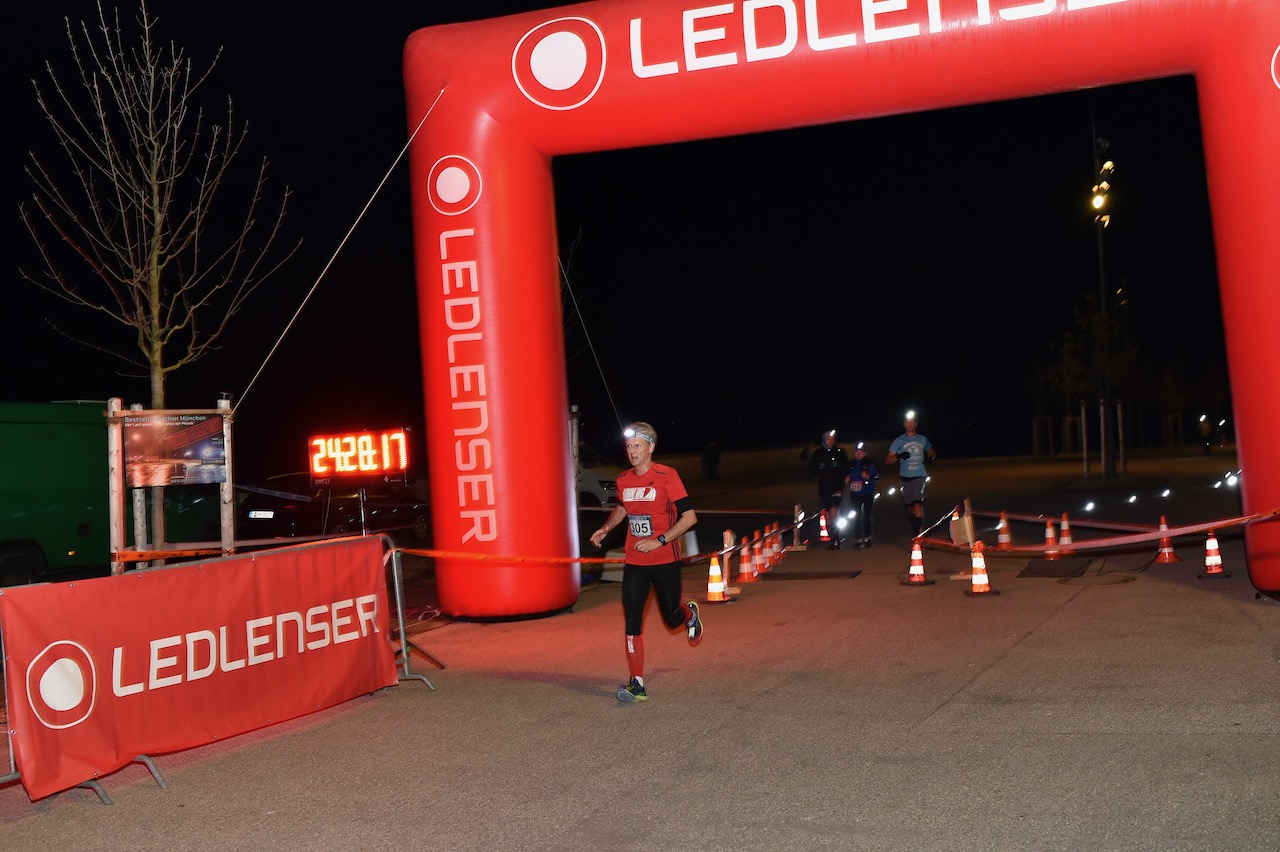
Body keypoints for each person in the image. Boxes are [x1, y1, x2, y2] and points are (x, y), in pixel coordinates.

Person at [589, 422, 701, 703]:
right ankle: (636, 683)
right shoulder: (625, 479)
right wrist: (606, 528)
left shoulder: (667, 476)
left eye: (637, 446)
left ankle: (689, 614)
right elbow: (623, 507)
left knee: (672, 618)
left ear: (651, 447)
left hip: (664, 559)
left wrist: (660, 540)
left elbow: (690, 518)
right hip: (636, 561)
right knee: (632, 618)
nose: (632, 452)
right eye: (628, 447)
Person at [886, 412, 936, 537]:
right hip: (904, 478)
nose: (909, 424)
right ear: (904, 424)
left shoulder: (922, 439)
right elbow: (887, 461)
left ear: (916, 424)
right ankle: (917, 528)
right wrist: (898, 456)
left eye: (912, 422)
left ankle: (917, 535)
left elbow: (932, 451)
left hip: (920, 476)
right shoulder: (899, 441)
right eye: (907, 422)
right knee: (910, 508)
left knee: (918, 504)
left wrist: (930, 458)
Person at [807, 429, 849, 548]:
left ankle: (836, 540)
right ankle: (833, 537)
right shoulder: (818, 453)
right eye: (828, 439)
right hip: (824, 488)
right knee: (828, 514)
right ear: (824, 440)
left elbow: (846, 466)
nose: (830, 441)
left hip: (837, 487)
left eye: (832, 439)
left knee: (833, 511)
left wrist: (846, 475)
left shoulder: (840, 452)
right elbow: (811, 469)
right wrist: (817, 469)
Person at [845, 441, 880, 548]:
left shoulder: (870, 463)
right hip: (855, 494)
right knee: (856, 516)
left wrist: (869, 476)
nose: (859, 454)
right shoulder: (850, 464)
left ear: (864, 453)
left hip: (868, 493)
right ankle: (857, 538)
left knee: (866, 516)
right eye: (857, 451)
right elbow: (844, 476)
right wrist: (846, 478)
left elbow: (877, 477)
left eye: (861, 452)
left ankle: (868, 537)